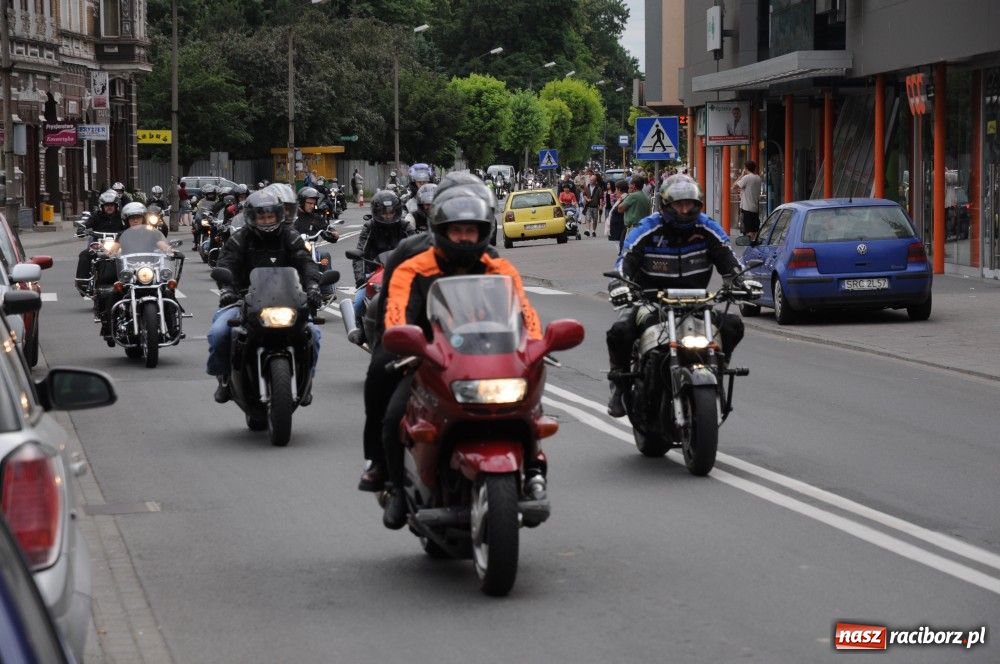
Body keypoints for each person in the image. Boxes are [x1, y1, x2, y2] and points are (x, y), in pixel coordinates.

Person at [376, 175, 543, 529]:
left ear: (483, 230)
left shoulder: (498, 265)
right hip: (429, 360)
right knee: (393, 417)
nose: (464, 237)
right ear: (441, 230)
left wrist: (535, 345)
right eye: (456, 230)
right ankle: (395, 488)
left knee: (531, 408)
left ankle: (533, 473)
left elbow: (524, 312)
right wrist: (403, 342)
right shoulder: (413, 266)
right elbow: (397, 314)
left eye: (471, 230)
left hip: (487, 359)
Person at [605, 178, 746, 417]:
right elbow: (626, 259)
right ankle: (619, 387)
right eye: (679, 205)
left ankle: (719, 370)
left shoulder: (707, 228)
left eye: (690, 204)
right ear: (665, 205)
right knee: (620, 331)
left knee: (732, 325)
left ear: (698, 204)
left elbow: (728, 258)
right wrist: (621, 283)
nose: (684, 210)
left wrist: (741, 281)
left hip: (696, 301)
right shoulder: (648, 228)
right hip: (650, 300)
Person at [207, 189, 323, 404]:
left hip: (288, 300)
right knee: (219, 332)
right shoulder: (240, 239)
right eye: (262, 217)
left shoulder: (290, 236)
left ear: (279, 215)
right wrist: (227, 290)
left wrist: (313, 287)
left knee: (313, 334)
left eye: (271, 216)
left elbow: (306, 262)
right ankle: (223, 379)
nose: (267, 221)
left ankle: (308, 381)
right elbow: (225, 265)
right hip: (244, 300)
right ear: (251, 218)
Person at [94, 202, 181, 341]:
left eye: (138, 217)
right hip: (129, 271)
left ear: (143, 218)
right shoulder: (123, 234)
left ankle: (173, 329)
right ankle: (109, 329)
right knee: (114, 294)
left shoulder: (151, 233)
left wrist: (170, 250)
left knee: (167, 292)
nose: (135, 220)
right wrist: (107, 253)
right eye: (131, 218)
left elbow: (162, 245)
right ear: (127, 220)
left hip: (150, 270)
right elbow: (114, 248)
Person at [351, 190, 416, 332]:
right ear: (377, 212)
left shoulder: (405, 226)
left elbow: (417, 250)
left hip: (402, 272)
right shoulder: (370, 227)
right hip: (375, 273)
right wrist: (360, 278)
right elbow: (360, 252)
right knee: (358, 303)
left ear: (397, 211)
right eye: (384, 213)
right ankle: (360, 331)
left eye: (391, 212)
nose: (388, 216)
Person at [75, 190, 125, 292]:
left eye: (112, 205)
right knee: (85, 254)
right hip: (99, 245)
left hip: (118, 245)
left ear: (116, 206)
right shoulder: (96, 216)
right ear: (102, 206)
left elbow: (129, 226)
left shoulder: (121, 217)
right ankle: (83, 282)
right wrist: (82, 229)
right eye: (106, 205)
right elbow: (87, 224)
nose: (109, 207)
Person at [732, 160, 762, 242]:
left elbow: (734, 186)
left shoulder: (746, 178)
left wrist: (741, 175)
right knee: (755, 231)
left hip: (747, 209)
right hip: (755, 209)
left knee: (748, 232)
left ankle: (749, 246)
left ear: (746, 168)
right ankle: (754, 245)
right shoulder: (758, 178)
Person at [581, 171, 603, 237]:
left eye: (592, 180)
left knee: (595, 219)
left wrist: (601, 205)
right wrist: (587, 199)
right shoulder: (587, 187)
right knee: (588, 218)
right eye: (590, 180)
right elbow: (584, 194)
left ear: (595, 181)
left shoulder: (598, 188)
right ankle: (588, 230)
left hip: (595, 206)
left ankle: (593, 231)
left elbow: (600, 197)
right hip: (588, 206)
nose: (590, 181)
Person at [608, 180, 628, 250]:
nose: (615, 192)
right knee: (619, 247)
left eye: (616, 189)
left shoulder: (625, 198)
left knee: (620, 248)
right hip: (617, 229)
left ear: (619, 189)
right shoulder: (621, 198)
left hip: (620, 229)